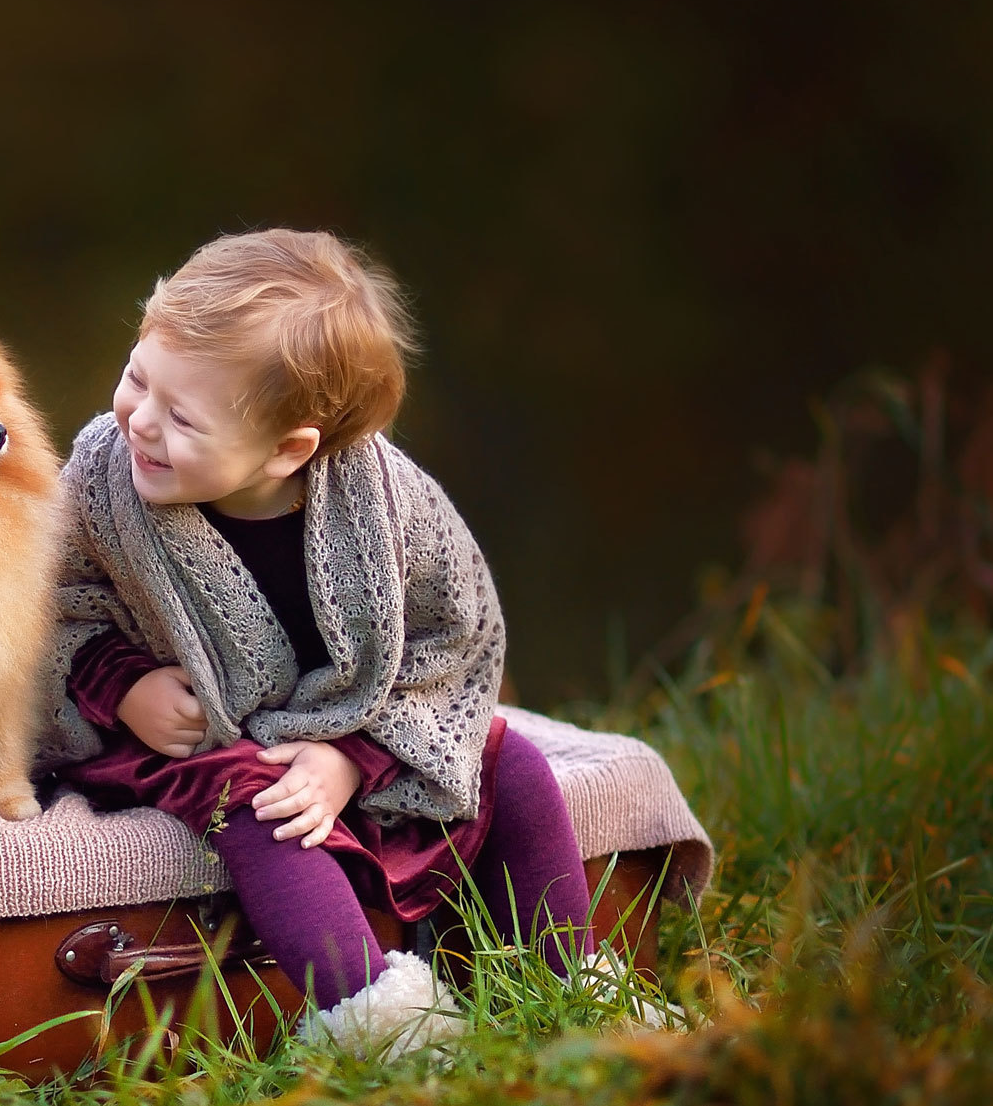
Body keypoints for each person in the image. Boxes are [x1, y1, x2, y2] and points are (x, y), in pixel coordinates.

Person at [36, 229, 592, 1055]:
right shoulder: (100, 480)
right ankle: (379, 1021)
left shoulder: (389, 505)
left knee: (511, 763)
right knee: (264, 806)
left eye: (179, 415)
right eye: (136, 375)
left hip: (352, 731)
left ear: (289, 447)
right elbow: (44, 607)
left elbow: (455, 643)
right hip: (182, 735)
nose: (138, 421)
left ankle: (563, 986)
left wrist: (352, 757)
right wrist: (120, 686)